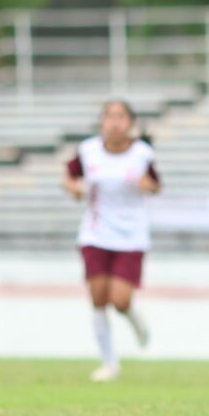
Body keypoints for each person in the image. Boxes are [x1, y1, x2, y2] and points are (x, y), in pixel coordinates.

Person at [62, 100, 159, 382]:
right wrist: (74, 188)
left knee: (119, 300)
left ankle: (134, 317)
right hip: (95, 233)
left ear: (130, 123)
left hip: (131, 236)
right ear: (102, 122)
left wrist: (147, 186)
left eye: (121, 117)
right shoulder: (88, 151)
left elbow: (155, 185)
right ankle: (109, 363)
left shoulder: (142, 154)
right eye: (110, 116)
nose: (115, 122)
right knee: (98, 298)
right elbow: (69, 177)